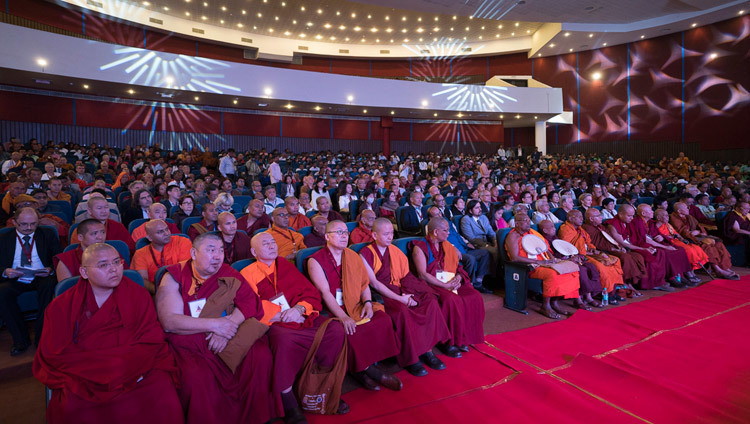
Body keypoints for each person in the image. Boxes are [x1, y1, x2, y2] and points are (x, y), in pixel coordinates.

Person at [34, 243, 184, 424]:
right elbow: (54, 352)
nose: (113, 269)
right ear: (83, 272)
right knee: (71, 407)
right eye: (103, 265)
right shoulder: (62, 306)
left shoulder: (138, 294)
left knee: (163, 392)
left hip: (135, 367)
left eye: (117, 262)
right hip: (85, 374)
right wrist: (106, 368)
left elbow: (151, 338)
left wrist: (128, 368)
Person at [157, 232, 279, 424]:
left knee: (260, 356)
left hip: (229, 331)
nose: (217, 256)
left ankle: (256, 416)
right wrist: (216, 325)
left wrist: (228, 327)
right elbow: (170, 321)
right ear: (194, 253)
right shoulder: (174, 275)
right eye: (211, 250)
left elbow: (249, 304)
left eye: (221, 250)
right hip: (191, 337)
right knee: (195, 375)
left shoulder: (228, 273)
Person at [240, 233, 348, 422]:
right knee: (283, 340)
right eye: (265, 243)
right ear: (253, 251)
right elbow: (251, 305)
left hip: (300, 316)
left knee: (334, 331)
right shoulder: (247, 273)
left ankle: (323, 386)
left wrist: (299, 309)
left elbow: (308, 292)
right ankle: (288, 399)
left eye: (273, 242)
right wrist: (283, 315)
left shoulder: (284, 265)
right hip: (275, 321)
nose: (272, 245)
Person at [307, 221, 402, 393]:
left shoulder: (352, 256)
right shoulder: (315, 261)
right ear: (327, 236)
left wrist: (367, 303)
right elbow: (325, 293)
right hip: (332, 308)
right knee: (347, 330)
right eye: (339, 232)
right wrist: (342, 317)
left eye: (346, 232)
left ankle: (368, 364)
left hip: (355, 303)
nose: (344, 235)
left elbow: (364, 284)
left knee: (381, 318)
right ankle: (366, 372)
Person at [360, 218, 451, 376]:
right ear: (374, 235)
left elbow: (406, 275)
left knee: (429, 300)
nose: (390, 237)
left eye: (392, 234)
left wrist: (409, 292)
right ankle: (412, 357)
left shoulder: (394, 251)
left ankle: (427, 350)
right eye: (386, 234)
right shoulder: (365, 254)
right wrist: (401, 298)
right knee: (402, 311)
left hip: (401, 287)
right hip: (383, 294)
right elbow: (374, 283)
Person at [411, 218, 485, 354]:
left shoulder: (447, 246)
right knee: (451, 300)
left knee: (474, 296)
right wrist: (444, 285)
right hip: (431, 284)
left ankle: (463, 337)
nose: (448, 233)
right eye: (445, 230)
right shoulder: (420, 247)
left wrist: (458, 277)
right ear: (435, 232)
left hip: (449, 280)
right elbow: (422, 274)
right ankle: (447, 341)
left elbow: (458, 267)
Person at [0, 207, 63, 355]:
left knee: (49, 286)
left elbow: (58, 257)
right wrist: (5, 271)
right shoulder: (4, 239)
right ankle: (20, 340)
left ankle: (42, 338)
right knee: (2, 293)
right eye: (24, 224)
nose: (29, 228)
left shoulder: (47, 234)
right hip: (15, 277)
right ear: (15, 222)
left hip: (41, 276)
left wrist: (50, 269)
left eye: (33, 224)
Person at [505, 213, 581, 319]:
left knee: (572, 269)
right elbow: (514, 258)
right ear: (517, 223)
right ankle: (545, 306)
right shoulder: (513, 236)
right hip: (530, 266)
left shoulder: (532, 233)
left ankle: (555, 302)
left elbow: (545, 248)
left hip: (545, 262)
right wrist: (539, 263)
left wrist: (552, 258)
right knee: (553, 274)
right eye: (524, 221)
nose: (528, 223)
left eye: (528, 220)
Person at [607, 205, 681, 291]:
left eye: (632, 215)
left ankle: (659, 281)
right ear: (620, 214)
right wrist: (643, 249)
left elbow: (638, 237)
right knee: (650, 255)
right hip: (625, 248)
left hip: (634, 244)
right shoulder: (613, 225)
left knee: (659, 253)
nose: (631, 218)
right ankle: (650, 283)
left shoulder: (628, 222)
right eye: (629, 216)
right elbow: (622, 243)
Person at [558, 210, 625, 304]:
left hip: (589, 252)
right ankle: (604, 293)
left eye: (582, 216)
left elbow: (588, 242)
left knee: (615, 260)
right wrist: (585, 252)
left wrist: (592, 249)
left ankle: (612, 291)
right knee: (601, 267)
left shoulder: (580, 229)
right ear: (570, 218)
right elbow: (567, 247)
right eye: (578, 217)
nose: (581, 219)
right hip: (580, 255)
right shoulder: (565, 229)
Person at [131, 220, 193, 292]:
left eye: (167, 229)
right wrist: (162, 292)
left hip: (183, 288)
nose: (166, 233)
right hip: (156, 291)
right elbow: (143, 280)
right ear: (149, 237)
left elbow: (186, 271)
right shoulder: (140, 253)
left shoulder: (182, 242)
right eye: (160, 232)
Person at [721, 201, 750, 265]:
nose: (747, 211)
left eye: (748, 209)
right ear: (737, 208)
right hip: (734, 235)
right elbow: (736, 230)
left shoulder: (745, 216)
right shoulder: (732, 215)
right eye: (745, 209)